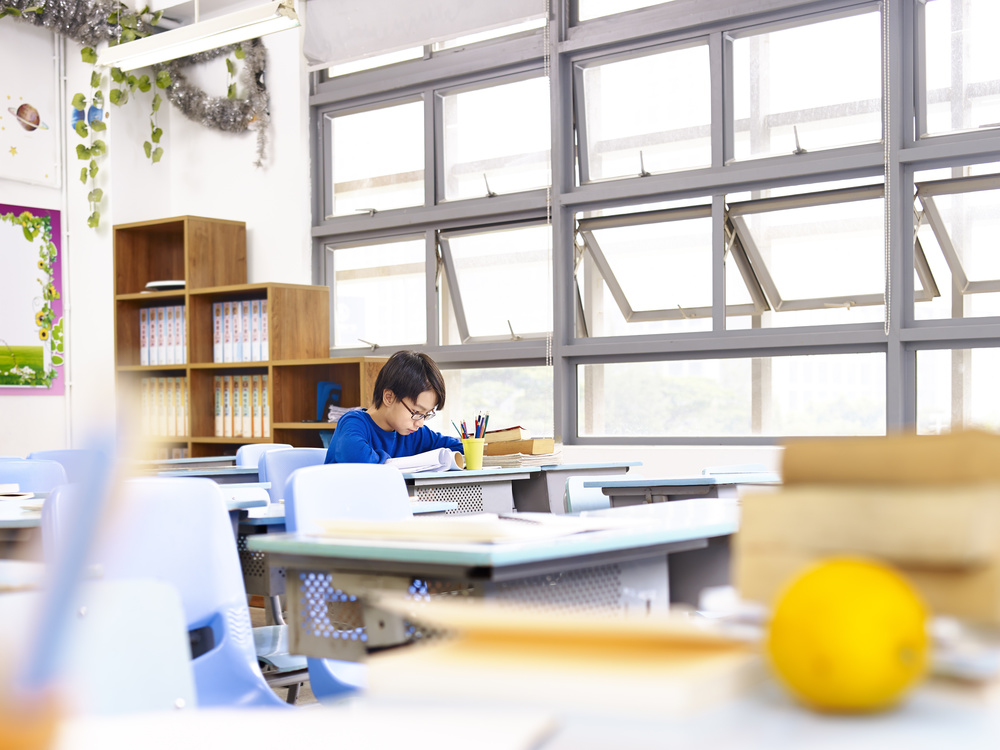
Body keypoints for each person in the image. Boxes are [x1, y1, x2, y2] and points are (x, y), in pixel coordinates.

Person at [325, 350, 463, 464]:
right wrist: (404, 463)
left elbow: (458, 448)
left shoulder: (413, 433)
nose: (420, 423)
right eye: (416, 412)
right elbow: (359, 460)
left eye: (426, 414)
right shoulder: (353, 423)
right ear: (389, 397)